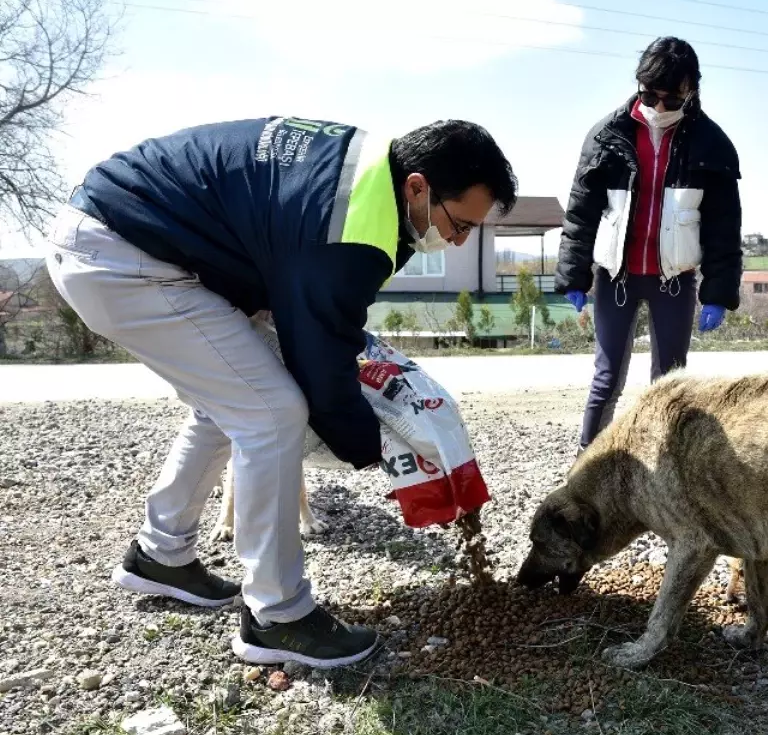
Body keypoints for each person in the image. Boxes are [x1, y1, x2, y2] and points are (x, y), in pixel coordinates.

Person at [44, 117, 518, 667]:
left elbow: (316, 313)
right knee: (270, 413)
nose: (457, 242)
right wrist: (373, 446)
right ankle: (278, 615)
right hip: (123, 256)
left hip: (129, 235)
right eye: (458, 224)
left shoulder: (365, 176)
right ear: (418, 186)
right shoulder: (353, 226)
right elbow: (320, 355)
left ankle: (160, 554)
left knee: (231, 401)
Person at [555, 36, 743, 453]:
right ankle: (587, 466)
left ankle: (665, 473)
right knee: (606, 378)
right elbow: (581, 211)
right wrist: (573, 274)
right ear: (638, 86)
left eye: (670, 99)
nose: (658, 108)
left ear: (690, 90)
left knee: (670, 382)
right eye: (649, 96)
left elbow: (723, 228)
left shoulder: (712, 144)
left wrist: (717, 293)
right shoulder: (606, 135)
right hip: (616, 279)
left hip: (673, 282)